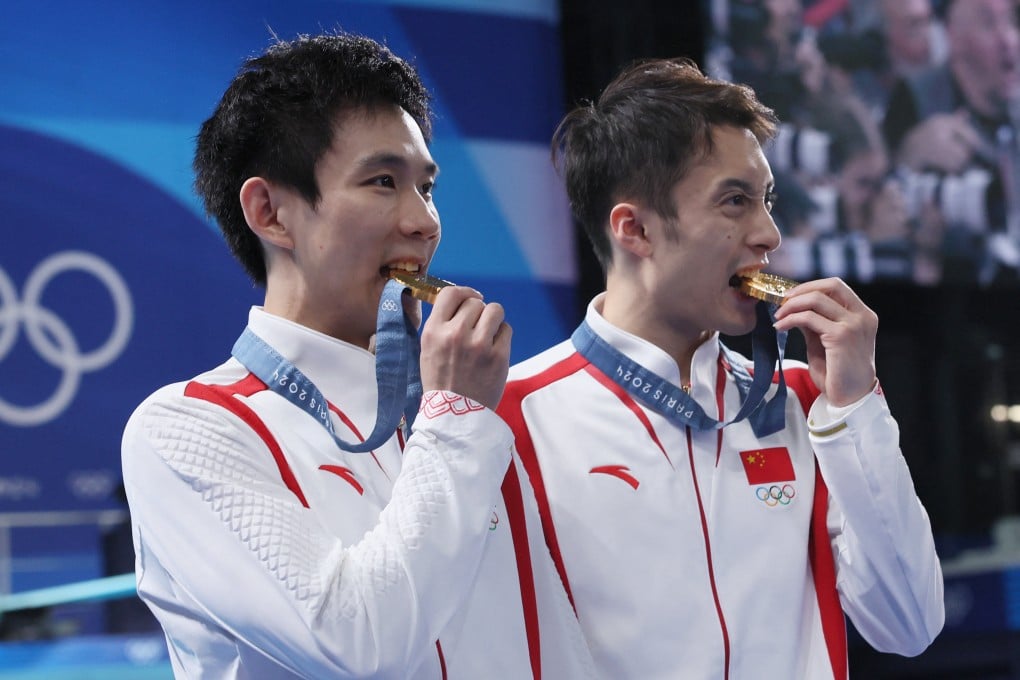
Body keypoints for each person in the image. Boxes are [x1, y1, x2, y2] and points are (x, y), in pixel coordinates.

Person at [121, 31, 595, 679]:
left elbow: (553, 643)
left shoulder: (468, 414)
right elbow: (358, 645)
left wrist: (455, 415)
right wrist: (455, 419)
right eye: (382, 182)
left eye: (426, 187)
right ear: (271, 213)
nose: (424, 220)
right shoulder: (189, 429)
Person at [498, 57, 944, 679]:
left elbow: (910, 626)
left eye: (765, 200)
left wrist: (856, 408)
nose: (768, 234)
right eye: (734, 201)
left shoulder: (807, 401)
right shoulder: (507, 417)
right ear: (636, 230)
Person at [882, 0, 1020, 283]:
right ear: (953, 36)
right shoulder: (914, 100)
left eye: (1012, 21)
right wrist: (906, 160)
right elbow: (873, 203)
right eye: (988, 24)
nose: (1008, 39)